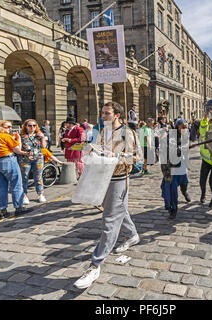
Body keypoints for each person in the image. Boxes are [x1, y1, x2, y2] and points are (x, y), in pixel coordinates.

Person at [74, 102, 142, 290]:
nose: (103, 116)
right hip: (102, 175)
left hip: (119, 178)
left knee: (110, 219)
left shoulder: (127, 133)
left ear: (117, 115)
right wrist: (91, 150)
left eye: (107, 113)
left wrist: (116, 156)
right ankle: (133, 235)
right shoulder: (103, 131)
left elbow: (137, 157)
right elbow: (99, 148)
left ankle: (95, 264)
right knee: (118, 210)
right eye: (102, 112)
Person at [0, 120, 33, 219]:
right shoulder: (6, 136)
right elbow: (17, 150)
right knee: (16, 184)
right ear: (0, 127)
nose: (10, 129)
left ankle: (3, 211)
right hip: (8, 160)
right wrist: (18, 141)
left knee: (1, 188)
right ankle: (19, 208)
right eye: (8, 127)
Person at [160, 118, 191, 220]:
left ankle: (184, 191)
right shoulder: (170, 137)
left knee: (184, 183)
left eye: (186, 127)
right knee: (172, 190)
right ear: (177, 127)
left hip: (181, 165)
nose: (185, 129)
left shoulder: (185, 135)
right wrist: (181, 149)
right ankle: (174, 209)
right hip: (171, 168)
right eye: (183, 127)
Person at [19, 119, 47, 204]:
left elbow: (44, 147)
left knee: (38, 176)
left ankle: (40, 194)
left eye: (34, 125)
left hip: (38, 158)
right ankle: (24, 195)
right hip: (25, 159)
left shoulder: (38, 135)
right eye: (30, 126)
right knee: (24, 177)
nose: (32, 127)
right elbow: (18, 148)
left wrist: (42, 137)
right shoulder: (21, 136)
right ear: (25, 126)